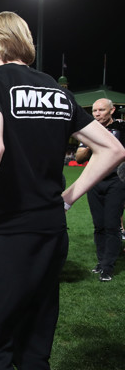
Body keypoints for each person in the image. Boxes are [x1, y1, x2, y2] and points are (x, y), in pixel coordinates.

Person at [0, 11, 125, 369]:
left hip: (5, 229)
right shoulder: (57, 91)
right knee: (33, 346)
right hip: (50, 230)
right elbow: (114, 150)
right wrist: (69, 197)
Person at [75, 98, 125, 282]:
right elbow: (79, 157)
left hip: (116, 181)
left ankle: (107, 267)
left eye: (101, 110)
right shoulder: (90, 131)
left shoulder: (121, 128)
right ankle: (101, 261)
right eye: (94, 110)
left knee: (112, 225)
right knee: (99, 225)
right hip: (94, 181)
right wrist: (90, 144)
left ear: (112, 111)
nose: (96, 114)